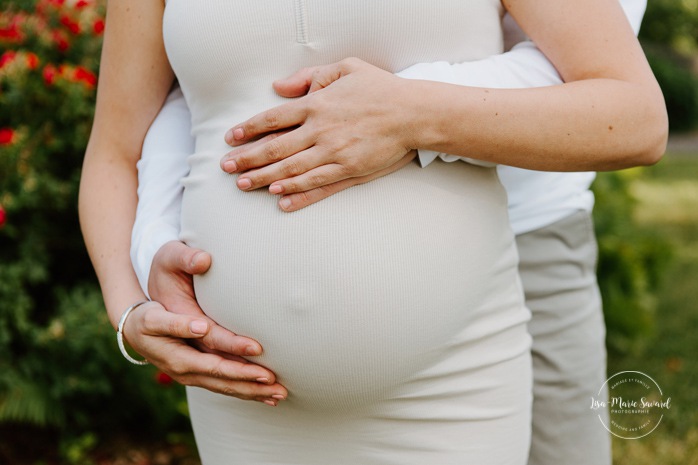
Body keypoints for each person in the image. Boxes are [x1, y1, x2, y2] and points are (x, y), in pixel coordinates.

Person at [79, 1, 666, 464]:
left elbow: (633, 116)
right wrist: (129, 307)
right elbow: (114, 150)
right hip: (243, 410)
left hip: (450, 388)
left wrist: (408, 113)